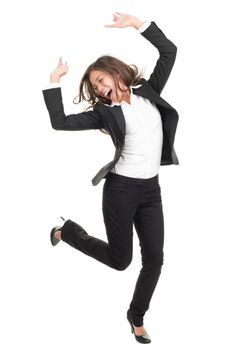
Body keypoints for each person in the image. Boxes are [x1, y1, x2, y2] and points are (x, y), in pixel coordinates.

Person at [42, 12, 179, 344]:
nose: (102, 89)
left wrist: (137, 24)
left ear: (115, 71)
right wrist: (54, 80)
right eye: (96, 87)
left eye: (102, 79)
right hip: (120, 191)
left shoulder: (149, 90)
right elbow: (60, 122)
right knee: (121, 261)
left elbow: (169, 51)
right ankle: (69, 232)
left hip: (151, 190)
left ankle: (136, 316)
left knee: (156, 259)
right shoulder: (104, 112)